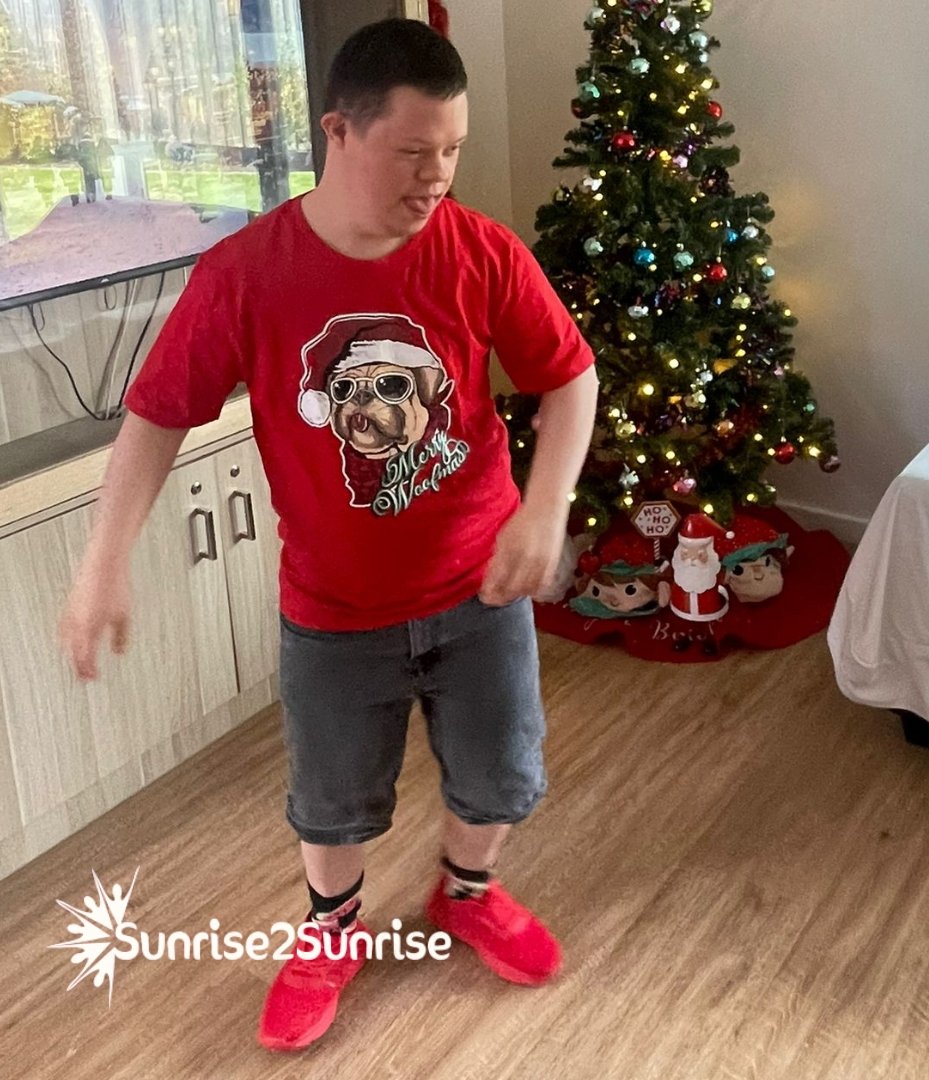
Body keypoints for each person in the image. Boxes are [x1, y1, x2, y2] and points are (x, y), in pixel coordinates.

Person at [59, 18, 598, 1053]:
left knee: (498, 775)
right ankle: (331, 928)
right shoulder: (247, 273)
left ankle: (467, 894)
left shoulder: (482, 252)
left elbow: (570, 377)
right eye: (412, 152)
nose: (436, 178)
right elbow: (157, 416)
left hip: (480, 592)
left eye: (452, 151)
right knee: (332, 802)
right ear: (338, 132)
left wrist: (545, 506)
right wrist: (103, 562)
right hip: (335, 612)